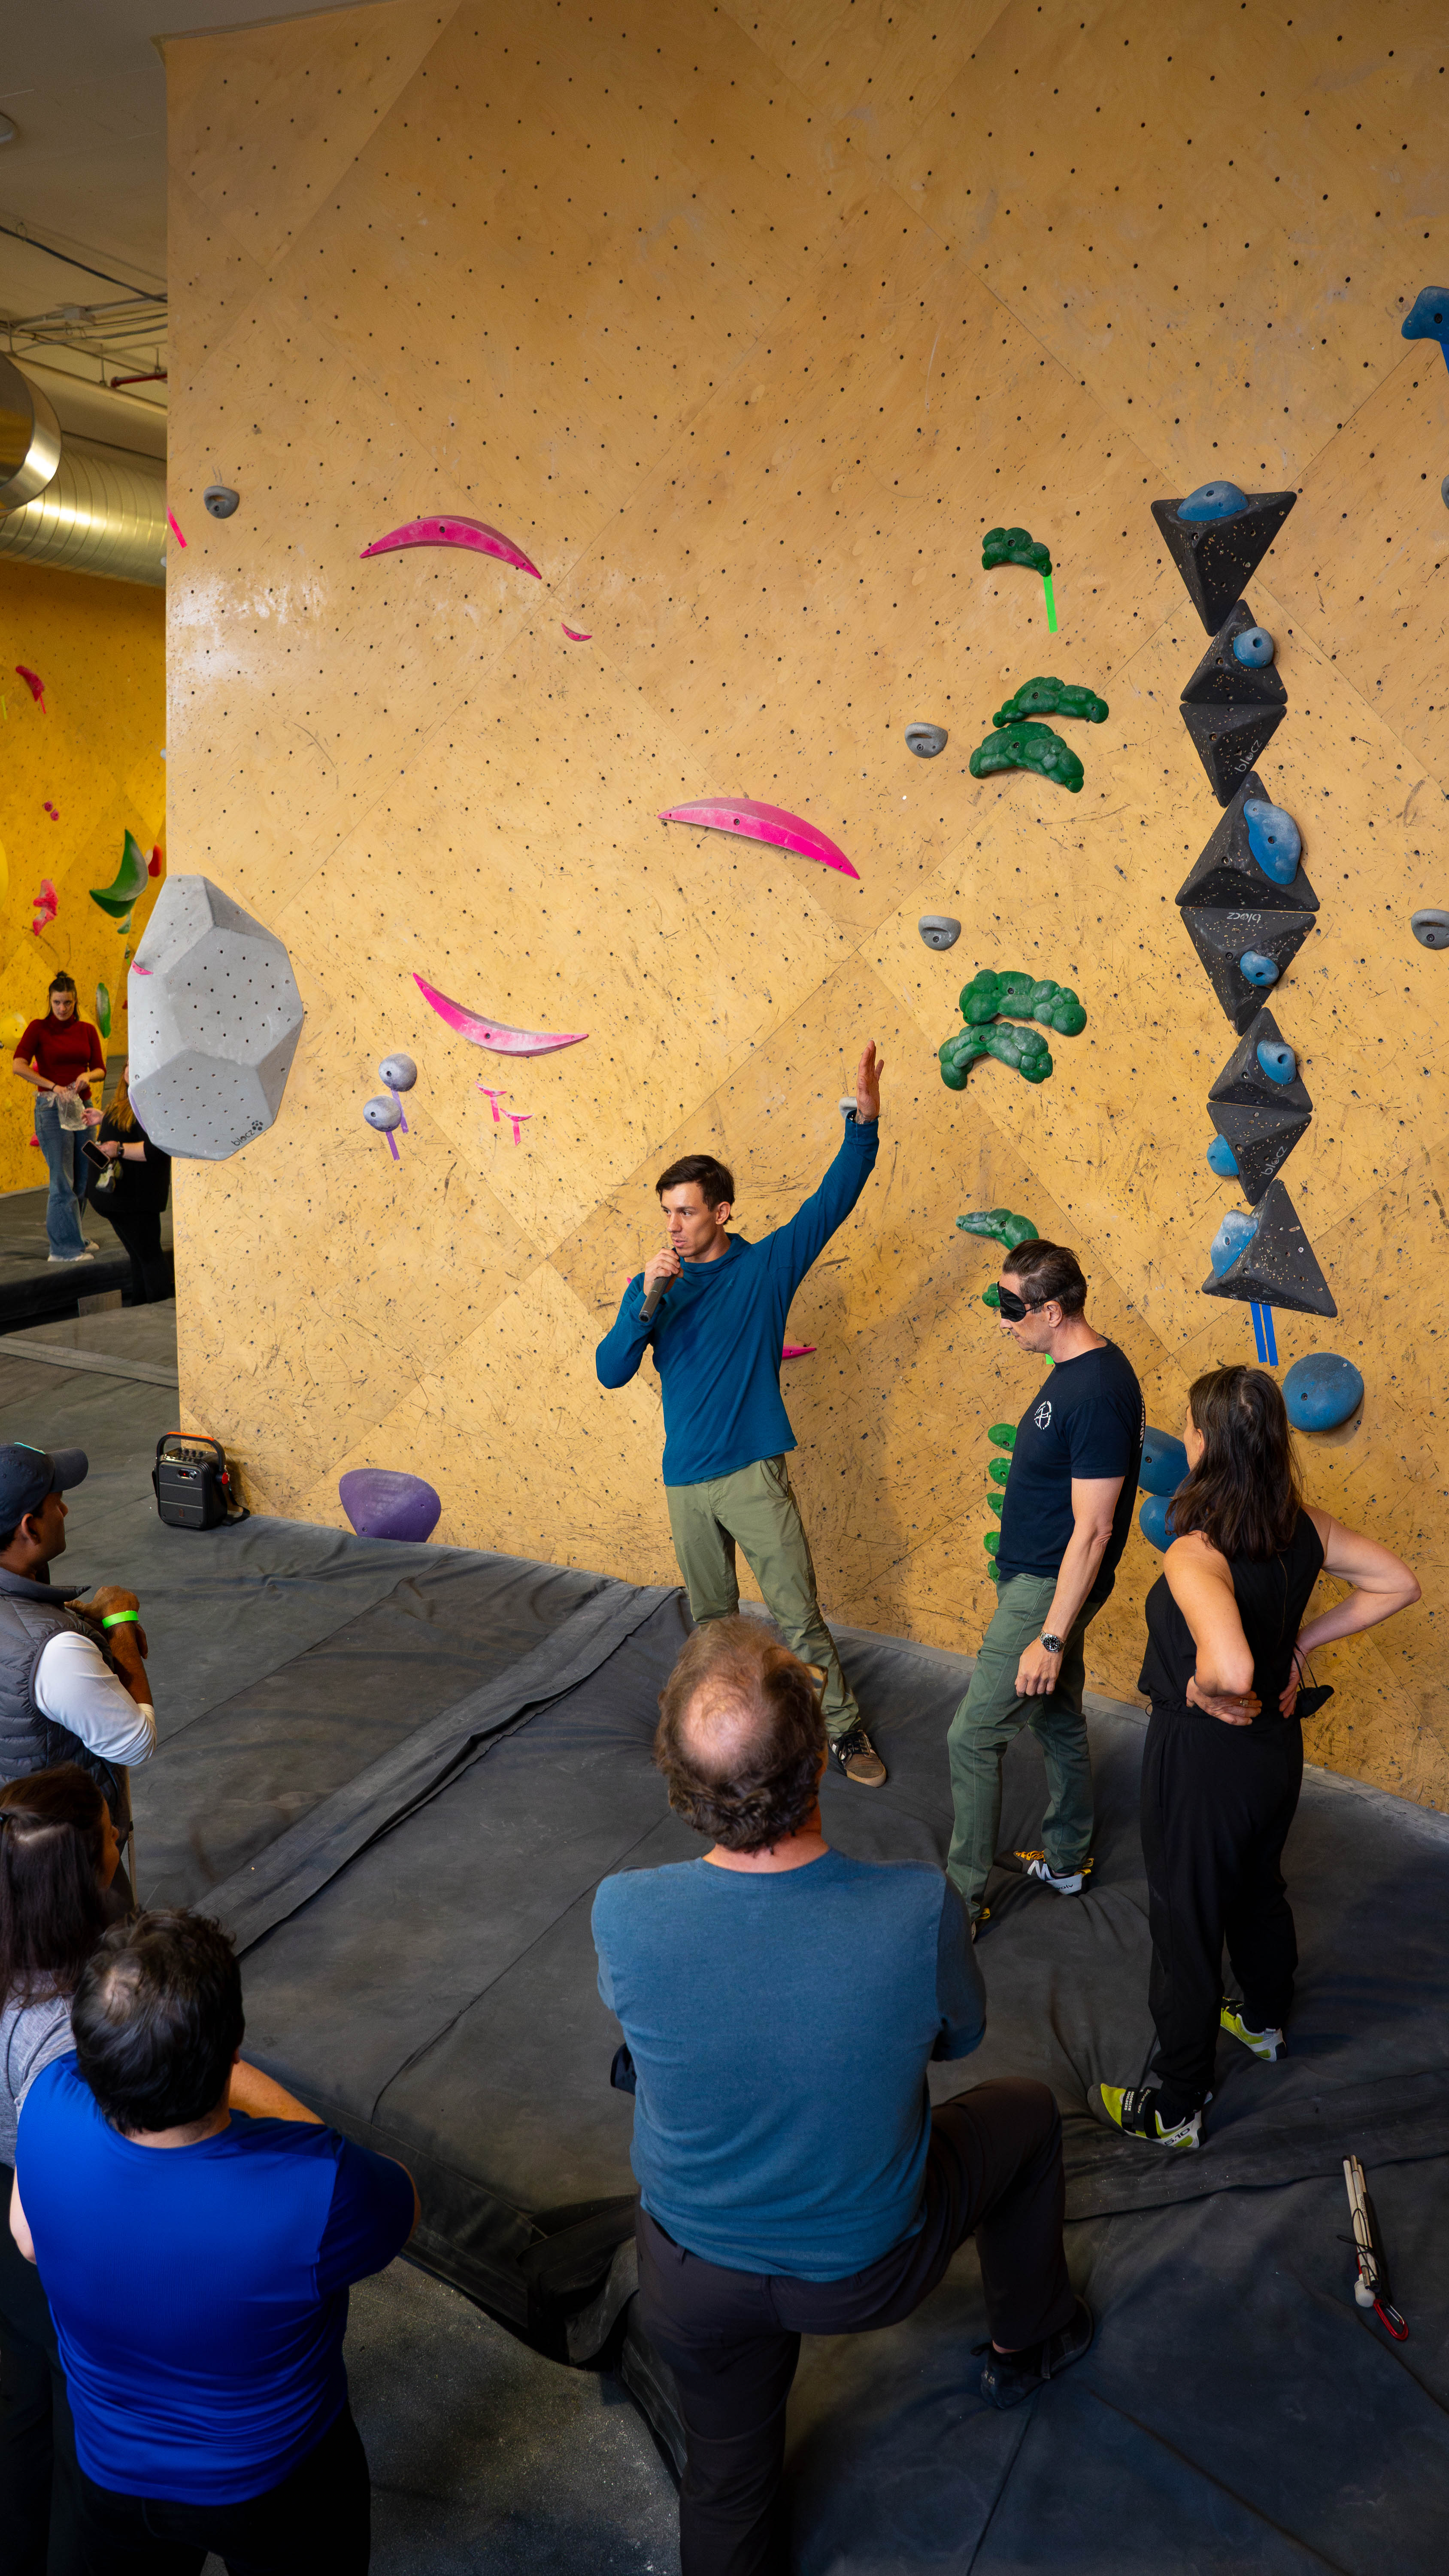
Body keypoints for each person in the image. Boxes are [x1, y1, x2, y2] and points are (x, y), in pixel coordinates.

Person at [593, 1616, 1091, 2575]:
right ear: (818, 1759)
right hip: (863, 2265)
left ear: (680, 1783)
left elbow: (645, 2036)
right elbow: (961, 2039)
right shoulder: (914, 1910)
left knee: (725, 2482)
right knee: (1024, 2112)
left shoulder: (623, 1911)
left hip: (691, 2275)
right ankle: (1027, 2340)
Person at [11, 1907, 419, 2576]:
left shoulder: (48, 2103)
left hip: (110, 2471)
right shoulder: (317, 2186)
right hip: (277, 2482)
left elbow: (25, 2237)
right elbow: (404, 2198)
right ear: (234, 2049)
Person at [1096, 1365, 1419, 2151]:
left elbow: (1231, 1669)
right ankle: (1266, 2022)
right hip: (1276, 1751)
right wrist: (1301, 1644)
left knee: (1185, 1919)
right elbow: (1396, 1584)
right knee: (1256, 1886)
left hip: (1203, 1758)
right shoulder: (1306, 1522)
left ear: (1204, 1442)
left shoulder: (1193, 1553)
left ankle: (1176, 2106)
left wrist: (1212, 1688)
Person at [596, 1043, 888, 1787]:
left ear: (720, 1211)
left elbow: (833, 1199)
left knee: (797, 1617)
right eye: (666, 1214)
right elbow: (610, 1371)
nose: (673, 1227)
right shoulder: (652, 1287)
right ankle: (723, 1740)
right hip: (686, 1483)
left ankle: (845, 1732)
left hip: (753, 1474)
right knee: (714, 1627)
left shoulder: (764, 1269)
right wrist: (645, 1302)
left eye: (686, 1212)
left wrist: (863, 1126)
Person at [947, 1242, 1144, 1930]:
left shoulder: (1096, 1392)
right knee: (1058, 1718)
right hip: (1036, 1582)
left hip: (1045, 1592)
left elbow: (1094, 1531)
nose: (1003, 1321)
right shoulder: (1078, 1369)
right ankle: (1066, 1859)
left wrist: (1051, 1636)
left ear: (1052, 1311)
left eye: (1011, 1307)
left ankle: (962, 1905)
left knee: (971, 1740)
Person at [0, 1765, 121, 2576]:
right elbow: (44, 2228)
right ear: (87, 1869)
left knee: (17, 2413)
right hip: (41, 2220)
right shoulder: (69, 2030)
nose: (124, 1836)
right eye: (113, 1831)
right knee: (83, 2422)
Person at [0, 1447, 154, 1869]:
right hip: (66, 1855)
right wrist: (120, 1621)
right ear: (30, 1527)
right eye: (56, 1503)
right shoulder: (56, 1652)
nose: (65, 1509)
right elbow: (134, 1743)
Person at [11, 975, 106, 1267]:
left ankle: (74, 1235)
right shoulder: (39, 1028)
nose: (62, 1008)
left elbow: (101, 1069)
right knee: (62, 1179)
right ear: (50, 1001)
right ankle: (64, 1249)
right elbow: (19, 1066)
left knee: (84, 1175)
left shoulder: (87, 1030)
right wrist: (53, 1086)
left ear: (75, 1001)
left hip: (83, 1108)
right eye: (57, 1003)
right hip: (51, 1109)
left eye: (67, 1003)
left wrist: (86, 1077)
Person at [87, 1066, 172, 1306]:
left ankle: (159, 1307)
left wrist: (119, 1149)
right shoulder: (126, 1100)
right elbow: (131, 1126)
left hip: (136, 1196)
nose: (131, 1068)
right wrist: (104, 1118)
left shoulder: (154, 1103)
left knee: (148, 1256)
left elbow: (157, 1149)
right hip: (121, 1198)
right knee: (139, 1256)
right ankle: (142, 1306)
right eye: (128, 1063)